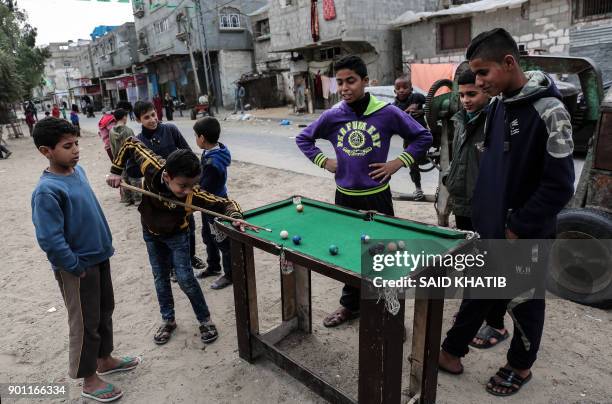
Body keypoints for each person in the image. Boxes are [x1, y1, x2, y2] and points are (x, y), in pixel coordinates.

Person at [438, 28, 575, 397]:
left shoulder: (550, 111)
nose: (478, 82)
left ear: (509, 62)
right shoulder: (498, 105)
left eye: (483, 73)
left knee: (526, 303)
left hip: (523, 233)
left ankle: (520, 366)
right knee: (479, 291)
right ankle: (451, 352)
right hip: (490, 229)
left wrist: (517, 226)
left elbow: (561, 185)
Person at [296, 55, 432, 327]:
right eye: (340, 82)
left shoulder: (387, 112)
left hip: (377, 197)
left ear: (366, 81)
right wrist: (324, 161)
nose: (345, 88)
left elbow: (422, 136)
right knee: (349, 252)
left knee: (383, 254)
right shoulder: (333, 115)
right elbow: (304, 138)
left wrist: (398, 162)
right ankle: (351, 306)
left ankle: (390, 315)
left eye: (351, 81)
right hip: (345, 197)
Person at [31, 117, 140, 403]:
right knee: (84, 322)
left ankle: (105, 359)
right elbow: (50, 239)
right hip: (77, 268)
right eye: (68, 146)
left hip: (99, 257)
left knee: (105, 310)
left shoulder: (76, 172)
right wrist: (74, 265)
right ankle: (88, 379)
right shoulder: (46, 191)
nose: (76, 149)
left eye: (76, 143)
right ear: (46, 151)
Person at [106, 138, 251, 345]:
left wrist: (235, 215)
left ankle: (205, 320)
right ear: (167, 176)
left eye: (193, 185)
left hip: (177, 235)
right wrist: (115, 170)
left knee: (185, 279)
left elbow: (225, 203)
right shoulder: (152, 166)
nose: (189, 191)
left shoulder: (193, 192)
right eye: (183, 186)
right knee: (160, 277)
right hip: (150, 232)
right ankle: (168, 320)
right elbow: (131, 143)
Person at [444, 69, 509, 349]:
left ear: (487, 92)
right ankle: (474, 310)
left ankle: (496, 322)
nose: (466, 100)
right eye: (461, 95)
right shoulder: (461, 120)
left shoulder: (497, 120)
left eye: (472, 94)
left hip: (487, 208)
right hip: (463, 205)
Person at [126, 101, 206, 271]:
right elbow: (132, 170)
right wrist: (151, 171)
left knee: (188, 225)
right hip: (158, 195)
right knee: (167, 229)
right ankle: (171, 267)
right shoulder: (138, 141)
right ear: (138, 120)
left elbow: (188, 153)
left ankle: (190, 257)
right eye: (147, 117)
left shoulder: (171, 130)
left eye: (153, 115)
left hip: (180, 190)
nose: (152, 119)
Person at [192, 117, 233, 290]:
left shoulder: (212, 163)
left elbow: (203, 188)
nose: (195, 139)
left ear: (202, 138)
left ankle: (230, 275)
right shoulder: (216, 150)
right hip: (207, 205)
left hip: (215, 205)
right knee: (208, 236)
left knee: (222, 240)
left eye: (195, 136)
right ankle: (214, 266)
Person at [393, 74, 428, 201]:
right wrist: (407, 111)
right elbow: (395, 119)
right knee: (412, 164)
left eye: (405, 87)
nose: (402, 90)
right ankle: (418, 189)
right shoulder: (394, 106)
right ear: (394, 90)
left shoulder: (417, 97)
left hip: (424, 135)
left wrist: (421, 111)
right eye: (398, 88)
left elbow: (431, 104)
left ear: (411, 89)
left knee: (434, 157)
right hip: (408, 139)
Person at [109, 108, 142, 206]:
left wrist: (116, 160)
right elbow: (134, 145)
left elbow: (112, 147)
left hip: (118, 160)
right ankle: (137, 199)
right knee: (134, 178)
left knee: (124, 179)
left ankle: (127, 199)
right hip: (130, 159)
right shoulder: (128, 130)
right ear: (124, 117)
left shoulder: (111, 132)